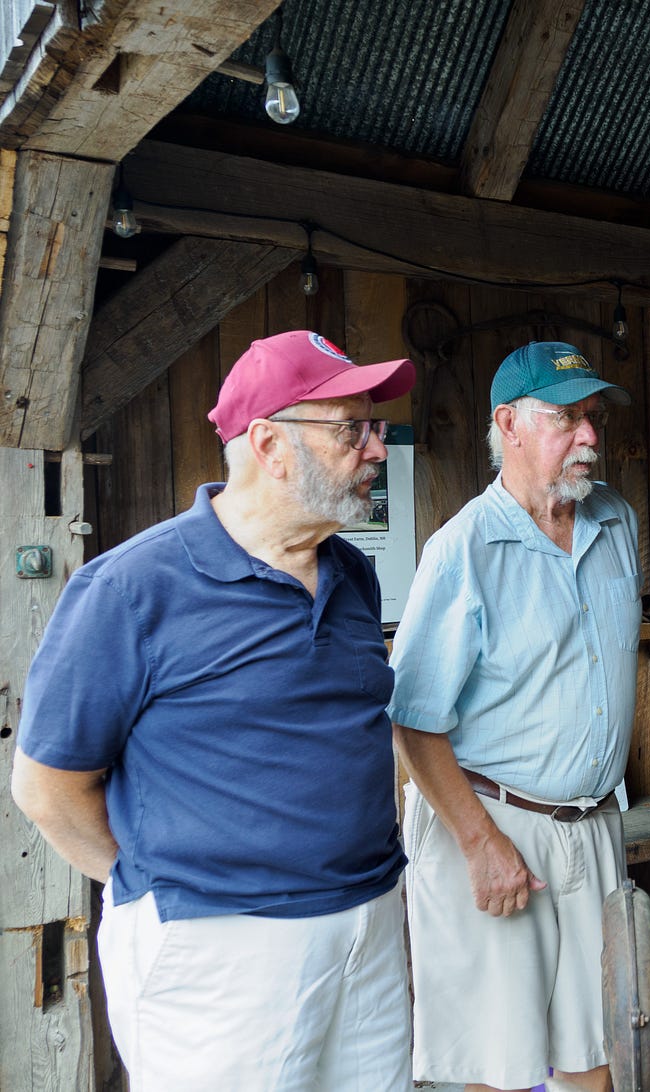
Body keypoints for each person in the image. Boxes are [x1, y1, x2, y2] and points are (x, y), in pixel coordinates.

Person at [10, 330, 417, 1090]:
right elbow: (47, 788)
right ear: (269, 444)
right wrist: (157, 883)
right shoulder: (133, 588)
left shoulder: (352, 574)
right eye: (350, 429)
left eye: (377, 427)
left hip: (368, 924)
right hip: (223, 952)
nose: (374, 448)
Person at [388, 340, 640, 1092]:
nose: (590, 436)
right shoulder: (463, 548)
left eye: (593, 417)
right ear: (511, 425)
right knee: (495, 1066)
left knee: (596, 1054)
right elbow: (414, 720)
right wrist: (479, 843)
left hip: (592, 826)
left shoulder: (615, 521)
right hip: (496, 827)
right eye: (567, 418)